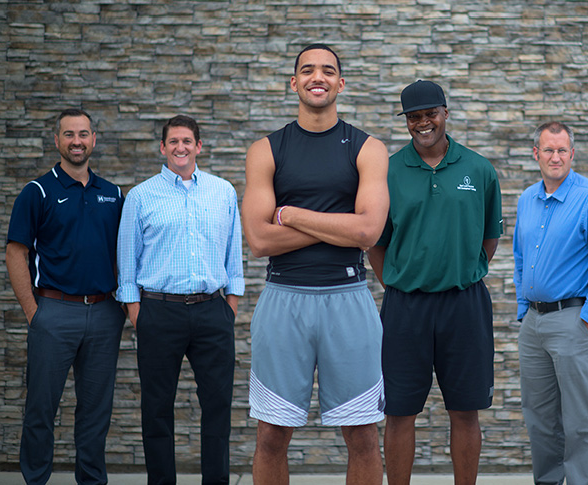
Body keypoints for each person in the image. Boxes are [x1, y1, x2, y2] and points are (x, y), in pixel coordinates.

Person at [241, 44, 389, 485]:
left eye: (327, 70)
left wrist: (292, 214)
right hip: (283, 298)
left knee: (362, 436)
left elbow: (368, 234)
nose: (316, 77)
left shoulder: (368, 148)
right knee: (271, 436)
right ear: (294, 82)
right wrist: (340, 224)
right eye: (307, 70)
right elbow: (259, 240)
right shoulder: (266, 150)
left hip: (348, 300)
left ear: (341, 83)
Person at [366, 80, 503, 485]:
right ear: (406, 121)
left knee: (465, 409)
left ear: (445, 113)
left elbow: (489, 238)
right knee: (399, 411)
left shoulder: (478, 169)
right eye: (414, 117)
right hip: (405, 307)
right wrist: (398, 281)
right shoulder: (389, 171)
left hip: (465, 304)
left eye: (430, 114)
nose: (423, 123)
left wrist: (458, 270)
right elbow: (376, 242)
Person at [116, 115, 244, 484]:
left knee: (218, 407)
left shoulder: (223, 192)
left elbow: (233, 255)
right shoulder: (141, 196)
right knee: (156, 409)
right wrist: (139, 314)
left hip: (212, 311)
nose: (180, 148)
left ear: (198, 146)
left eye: (187, 141)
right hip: (159, 311)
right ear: (163, 147)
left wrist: (229, 307)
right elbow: (127, 263)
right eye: (173, 142)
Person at [6, 108, 125, 484]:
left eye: (84, 134)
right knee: (41, 408)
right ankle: (36, 478)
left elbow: (124, 252)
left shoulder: (113, 194)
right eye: (69, 134)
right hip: (54, 312)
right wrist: (33, 312)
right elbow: (16, 253)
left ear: (94, 140)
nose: (77, 141)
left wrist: (122, 306)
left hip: (105, 314)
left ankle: (91, 480)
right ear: (56, 141)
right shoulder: (37, 192)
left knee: (95, 411)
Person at [513, 121, 588, 485]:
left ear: (572, 154)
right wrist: (523, 309)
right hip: (534, 325)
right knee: (539, 417)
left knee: (580, 420)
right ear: (536, 154)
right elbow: (519, 255)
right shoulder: (527, 198)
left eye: (562, 150)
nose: (555, 157)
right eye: (548, 150)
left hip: (575, 321)